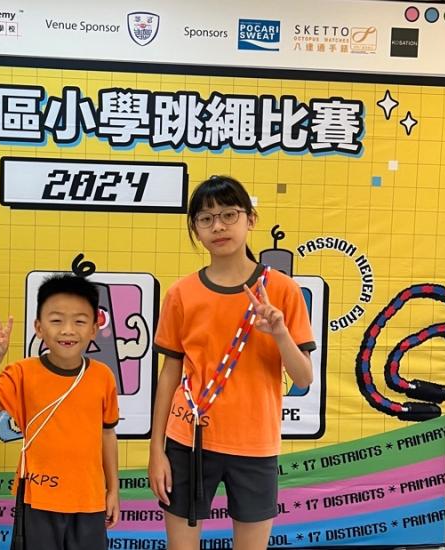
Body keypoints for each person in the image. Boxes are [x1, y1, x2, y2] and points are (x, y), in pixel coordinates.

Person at [148, 176, 315, 550]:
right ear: (195, 229)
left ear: (250, 219)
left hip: (255, 444)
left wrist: (280, 332)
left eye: (229, 214)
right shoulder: (181, 294)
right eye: (206, 219)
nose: (218, 226)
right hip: (187, 440)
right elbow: (169, 374)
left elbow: (303, 377)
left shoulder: (282, 289)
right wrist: (156, 450)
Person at [0, 274, 120, 550]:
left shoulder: (103, 376)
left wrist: (113, 490)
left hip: (90, 500)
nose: (68, 330)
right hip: (38, 499)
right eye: (56, 320)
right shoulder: (23, 373)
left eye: (80, 321)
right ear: (38, 327)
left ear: (94, 329)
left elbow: (108, 435)